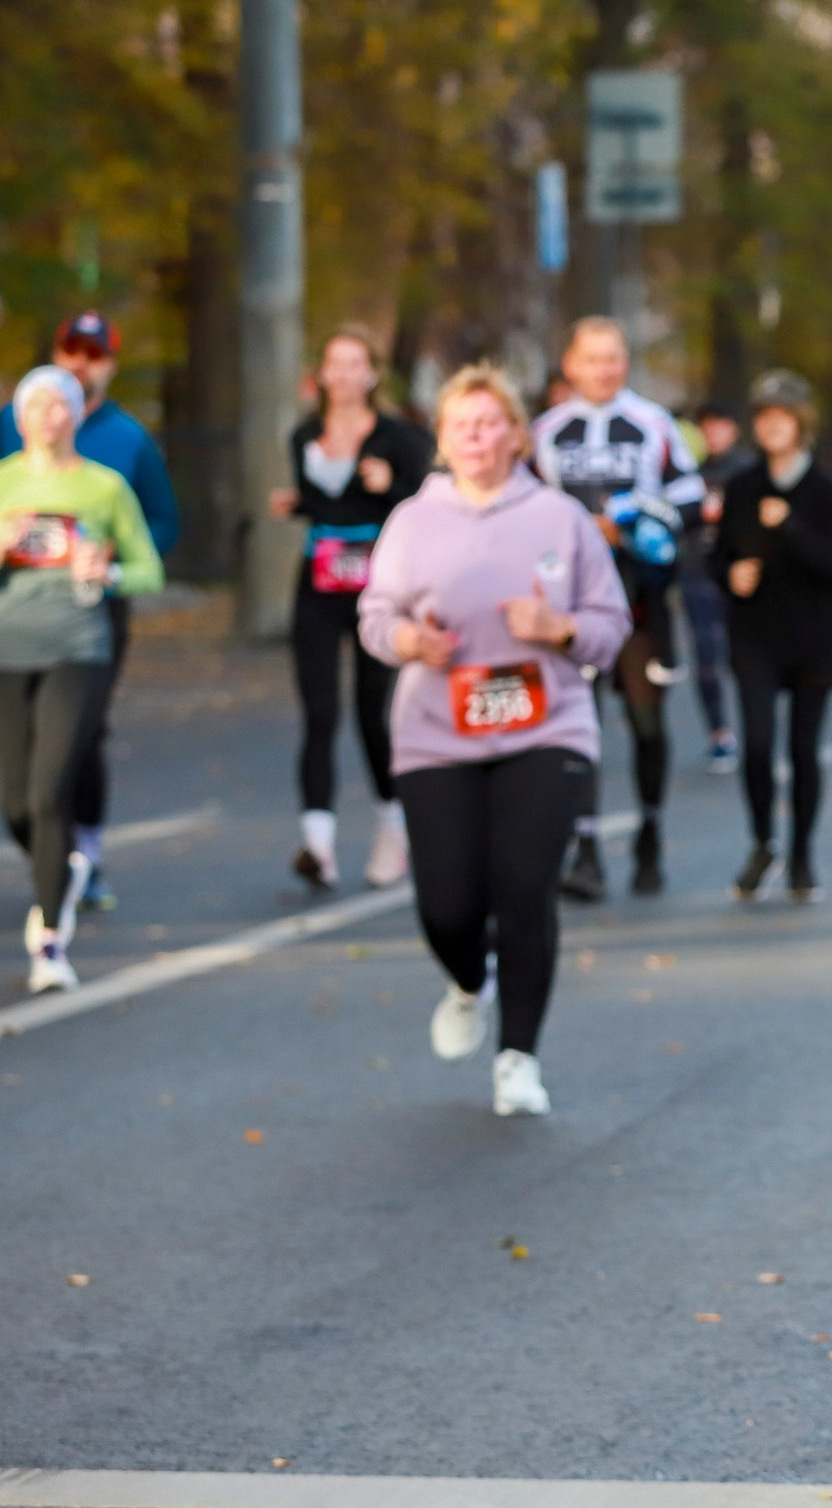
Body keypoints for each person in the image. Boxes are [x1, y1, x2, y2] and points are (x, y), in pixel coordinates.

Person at [360, 364, 630, 1117]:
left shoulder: (559, 518)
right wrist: (409, 637)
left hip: (546, 726)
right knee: (446, 903)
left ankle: (518, 1056)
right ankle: (468, 980)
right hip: (437, 732)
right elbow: (374, 617)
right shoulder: (414, 520)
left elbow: (610, 626)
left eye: (489, 422)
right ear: (443, 439)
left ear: (515, 432)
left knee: (523, 887)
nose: (476, 437)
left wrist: (561, 628)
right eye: (460, 425)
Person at [0, 313, 180, 912]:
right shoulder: (3, 434)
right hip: (11, 620)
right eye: (71, 349)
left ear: (110, 365)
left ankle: (85, 853)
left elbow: (163, 524)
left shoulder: (128, 441)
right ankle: (51, 847)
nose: (81, 361)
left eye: (94, 354)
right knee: (21, 767)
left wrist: (110, 562)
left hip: (91, 613)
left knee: (84, 731)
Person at [531, 316, 702, 898]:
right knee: (579, 726)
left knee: (646, 724)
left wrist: (637, 517)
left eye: (615, 357)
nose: (605, 369)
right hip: (570, 601)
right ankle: (585, 852)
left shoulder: (654, 424)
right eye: (593, 358)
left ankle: (649, 837)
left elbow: (691, 498)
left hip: (640, 602)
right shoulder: (547, 432)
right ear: (571, 365)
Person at [268, 328, 432, 891]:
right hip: (319, 580)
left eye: (354, 363)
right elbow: (323, 503)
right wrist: (296, 505)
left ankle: (394, 827)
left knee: (371, 713)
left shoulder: (397, 436)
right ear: (322, 374)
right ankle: (317, 844)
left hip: (377, 584)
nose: (343, 374)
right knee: (318, 714)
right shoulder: (305, 435)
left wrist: (391, 484)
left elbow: (420, 500)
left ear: (371, 374)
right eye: (334, 363)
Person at [712, 371, 832, 902]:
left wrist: (790, 526)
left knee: (802, 752)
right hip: (756, 637)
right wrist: (731, 574)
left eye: (782, 415)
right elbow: (719, 553)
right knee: (756, 744)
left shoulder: (822, 490)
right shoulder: (743, 487)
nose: (771, 424)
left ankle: (800, 856)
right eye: (763, 415)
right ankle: (762, 842)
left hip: (812, 638)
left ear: (801, 423)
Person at [686, 401, 750, 775]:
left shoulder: (745, 470)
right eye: (705, 428)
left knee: (741, 654)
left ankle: (754, 728)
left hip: (739, 573)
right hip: (698, 571)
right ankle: (719, 734)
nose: (712, 435)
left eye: (718, 426)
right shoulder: (687, 473)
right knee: (706, 654)